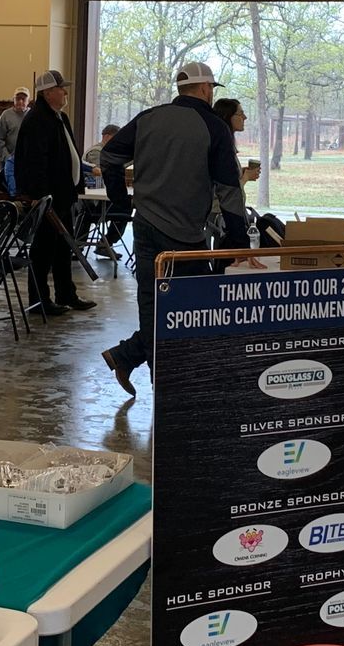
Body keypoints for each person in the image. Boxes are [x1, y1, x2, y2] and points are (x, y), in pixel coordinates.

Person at [98, 60, 247, 395]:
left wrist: (121, 203)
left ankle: (128, 359)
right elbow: (229, 190)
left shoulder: (148, 118)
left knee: (154, 307)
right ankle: (166, 392)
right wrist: (238, 241)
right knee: (192, 309)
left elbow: (108, 158)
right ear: (207, 88)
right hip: (185, 235)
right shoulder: (213, 127)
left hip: (145, 227)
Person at [13, 69, 94, 316]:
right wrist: (41, 196)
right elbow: (34, 162)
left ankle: (65, 293)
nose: (65, 92)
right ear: (48, 93)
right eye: (61, 88)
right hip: (47, 198)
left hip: (63, 195)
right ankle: (39, 300)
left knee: (62, 248)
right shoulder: (37, 120)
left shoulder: (59, 117)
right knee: (43, 250)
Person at [213, 97, 281, 247]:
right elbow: (227, 191)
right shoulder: (222, 147)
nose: (245, 117)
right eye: (240, 113)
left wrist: (241, 173)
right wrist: (244, 178)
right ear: (228, 117)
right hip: (220, 213)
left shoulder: (227, 144)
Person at [84, 123, 125, 259]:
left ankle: (106, 243)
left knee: (123, 207)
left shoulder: (106, 152)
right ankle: (106, 243)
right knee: (124, 209)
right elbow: (101, 174)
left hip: (99, 197)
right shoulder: (97, 152)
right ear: (106, 136)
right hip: (92, 202)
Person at [0, 88, 31, 192]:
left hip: (27, 163)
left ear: (28, 100)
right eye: (18, 98)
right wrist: (8, 159)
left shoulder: (33, 116)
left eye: (23, 99)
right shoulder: (5, 116)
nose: (20, 101)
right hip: (8, 161)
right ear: (13, 100)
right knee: (9, 192)